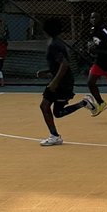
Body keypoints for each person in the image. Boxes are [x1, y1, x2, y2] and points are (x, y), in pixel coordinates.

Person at [37, 18, 94, 146]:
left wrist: (54, 83)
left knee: (46, 107)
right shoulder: (55, 42)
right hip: (61, 81)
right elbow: (58, 65)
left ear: (47, 30)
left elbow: (64, 65)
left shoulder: (54, 45)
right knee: (55, 111)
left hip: (62, 84)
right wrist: (47, 71)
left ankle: (55, 136)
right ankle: (84, 103)